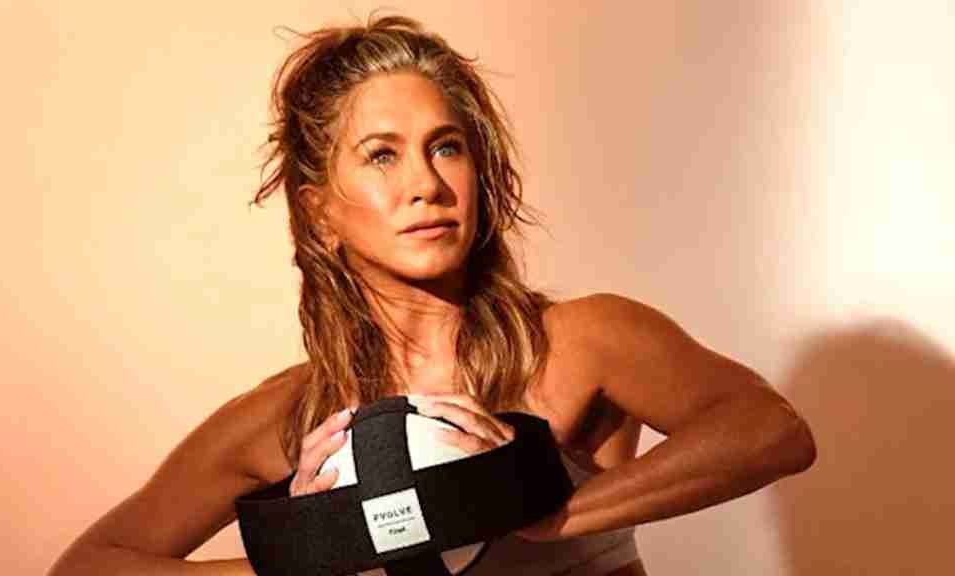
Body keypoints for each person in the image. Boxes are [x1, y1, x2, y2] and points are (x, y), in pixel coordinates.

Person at [47, 14, 816, 576]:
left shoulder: (579, 343)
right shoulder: (288, 416)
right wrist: (321, 550)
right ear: (319, 212)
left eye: (446, 147)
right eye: (381, 155)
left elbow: (770, 430)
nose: (426, 184)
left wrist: (543, 512)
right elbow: (87, 566)